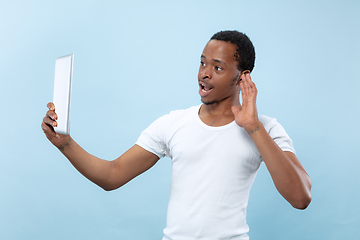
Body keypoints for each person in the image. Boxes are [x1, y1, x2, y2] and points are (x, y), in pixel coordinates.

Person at [42, 30, 311, 240]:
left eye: (217, 67)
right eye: (202, 63)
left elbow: (301, 198)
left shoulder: (265, 128)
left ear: (242, 77)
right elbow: (112, 175)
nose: (204, 74)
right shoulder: (173, 123)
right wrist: (65, 144)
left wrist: (253, 127)